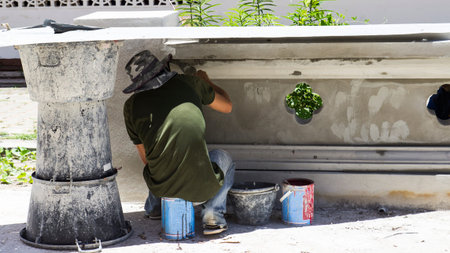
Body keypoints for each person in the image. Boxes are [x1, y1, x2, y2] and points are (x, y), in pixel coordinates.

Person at [122, 50, 235, 235]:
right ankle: (213, 216)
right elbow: (227, 106)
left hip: (163, 189)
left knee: (156, 157)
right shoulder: (190, 83)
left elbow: (146, 159)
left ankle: (156, 209)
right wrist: (207, 82)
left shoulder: (131, 105)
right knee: (223, 158)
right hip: (201, 189)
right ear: (164, 68)